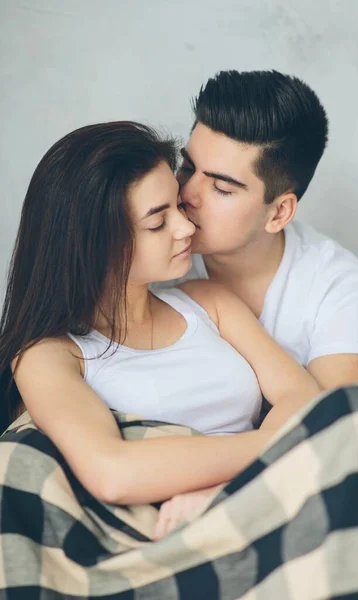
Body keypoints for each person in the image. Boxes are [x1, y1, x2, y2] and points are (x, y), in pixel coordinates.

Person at [0, 121, 323, 540]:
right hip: (162, 531)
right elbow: (112, 472)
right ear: (95, 242)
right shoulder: (51, 355)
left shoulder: (209, 302)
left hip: (264, 498)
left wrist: (220, 489)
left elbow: (306, 399)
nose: (187, 228)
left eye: (178, 206)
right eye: (158, 222)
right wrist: (269, 453)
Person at [157, 70, 358, 399]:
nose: (186, 194)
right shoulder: (144, 253)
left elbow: (325, 433)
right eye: (189, 168)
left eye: (222, 188)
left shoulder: (340, 293)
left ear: (278, 212)